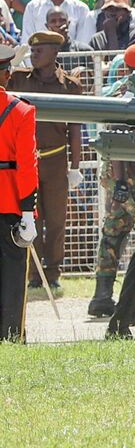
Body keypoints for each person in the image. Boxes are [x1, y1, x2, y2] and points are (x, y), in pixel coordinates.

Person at [8, 31, 82, 290]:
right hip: (25, 162)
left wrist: (75, 166)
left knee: (56, 220)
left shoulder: (70, 85)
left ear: (55, 53)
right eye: (33, 50)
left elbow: (74, 128)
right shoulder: (18, 79)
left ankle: (53, 272)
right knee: (30, 217)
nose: (34, 55)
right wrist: (13, 59)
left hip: (55, 160)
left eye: (40, 50)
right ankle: (33, 272)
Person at [0, 45, 38, 342]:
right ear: (8, 74)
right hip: (9, 203)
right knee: (13, 275)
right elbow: (26, 165)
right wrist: (28, 212)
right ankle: (12, 335)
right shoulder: (22, 111)